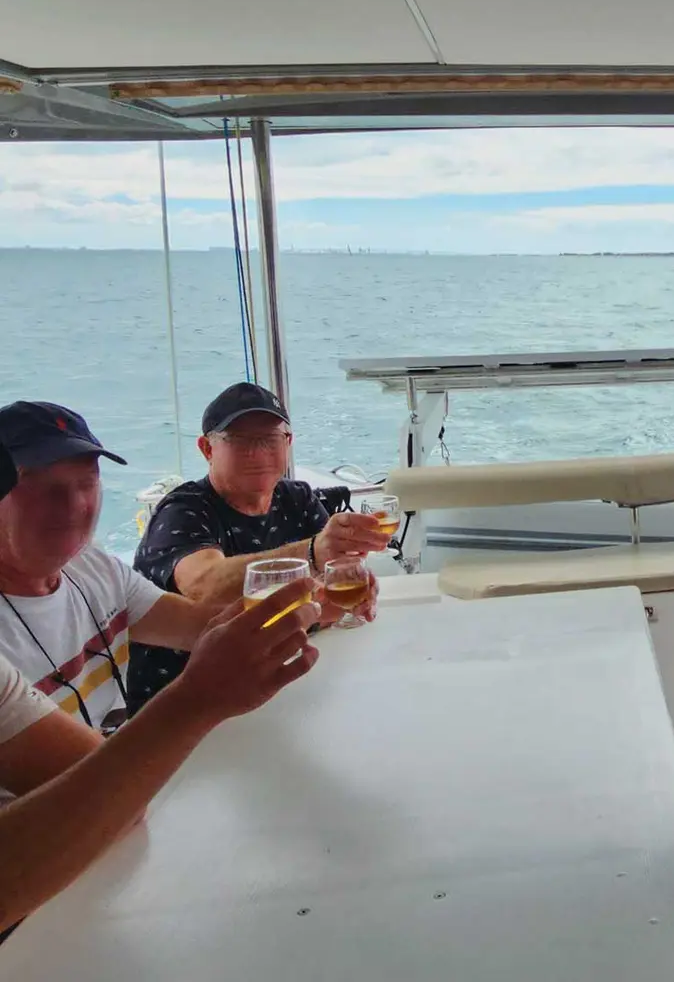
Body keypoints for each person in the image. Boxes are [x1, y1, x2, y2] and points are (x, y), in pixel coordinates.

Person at [0, 577, 321, 936]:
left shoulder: (91, 569)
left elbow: (119, 804)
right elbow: (203, 576)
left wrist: (311, 610)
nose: (79, 515)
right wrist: (196, 699)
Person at [129, 383, 388, 711]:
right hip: (184, 705)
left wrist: (357, 590)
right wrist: (313, 553)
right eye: (239, 440)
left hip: (273, 684)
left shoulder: (298, 499)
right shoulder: (184, 510)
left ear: (288, 443)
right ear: (207, 449)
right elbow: (203, 585)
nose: (258, 452)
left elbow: (327, 593)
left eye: (270, 439)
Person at [0, 401, 222, 738]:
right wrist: (198, 695)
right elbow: (82, 782)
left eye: (87, 482)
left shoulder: (91, 566)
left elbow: (203, 627)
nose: (74, 505)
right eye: (44, 487)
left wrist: (305, 603)